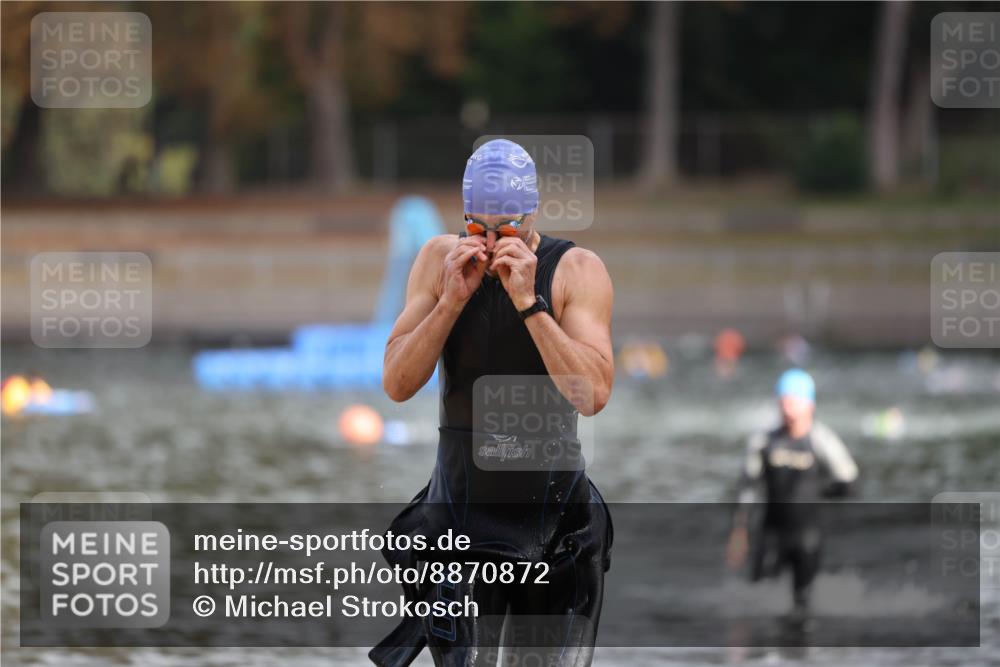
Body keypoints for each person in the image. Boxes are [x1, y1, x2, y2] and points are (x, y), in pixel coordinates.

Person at [370, 139, 615, 667]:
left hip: (553, 522)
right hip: (460, 516)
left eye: (505, 230)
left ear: (531, 215)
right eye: (477, 228)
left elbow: (592, 395)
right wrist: (451, 303)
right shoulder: (440, 260)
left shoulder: (576, 269)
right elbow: (396, 382)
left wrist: (530, 303)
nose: (488, 244)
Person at [726, 368, 858, 614]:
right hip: (771, 535)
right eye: (783, 401)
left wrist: (821, 492)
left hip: (807, 538)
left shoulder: (821, 440)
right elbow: (747, 487)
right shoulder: (764, 441)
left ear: (809, 404)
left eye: (793, 401)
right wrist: (739, 531)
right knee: (756, 607)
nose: (787, 408)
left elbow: (848, 481)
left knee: (803, 608)